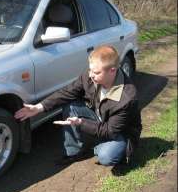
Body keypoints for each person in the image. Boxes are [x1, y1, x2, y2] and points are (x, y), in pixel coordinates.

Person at [14, 45, 142, 166]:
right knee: (70, 105)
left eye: (96, 72)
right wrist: (39, 107)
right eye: (90, 70)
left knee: (106, 156)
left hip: (119, 131)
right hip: (100, 118)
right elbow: (67, 92)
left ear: (112, 71)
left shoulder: (127, 97)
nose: (91, 75)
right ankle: (74, 153)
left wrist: (81, 123)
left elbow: (109, 130)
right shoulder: (90, 76)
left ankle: (110, 148)